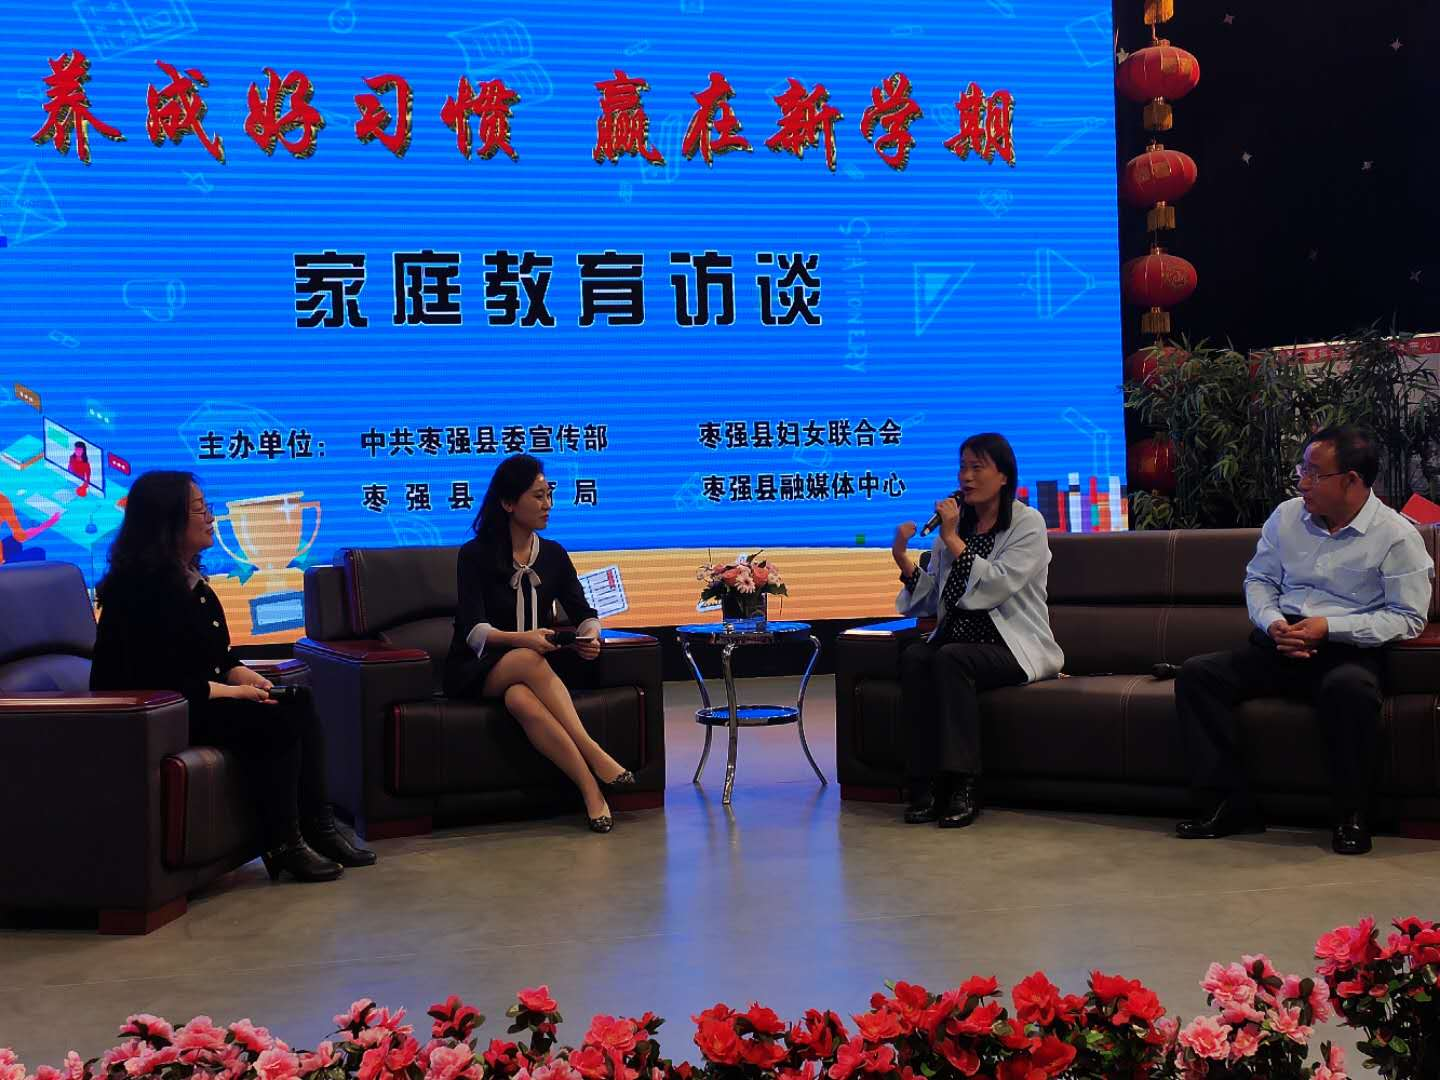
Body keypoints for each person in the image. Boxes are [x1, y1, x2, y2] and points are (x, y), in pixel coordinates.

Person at [90, 471, 375, 881]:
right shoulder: (139, 590)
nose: (210, 518)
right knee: (272, 719)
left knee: (297, 700)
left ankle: (319, 827)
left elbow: (216, 654)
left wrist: (240, 673)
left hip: (192, 700)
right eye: (199, 510)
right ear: (168, 520)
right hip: (155, 714)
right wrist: (234, 694)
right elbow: (160, 676)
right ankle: (282, 844)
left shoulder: (188, 580)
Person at [1175, 426, 1433, 855]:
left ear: (1351, 480)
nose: (1302, 483)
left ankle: (1352, 815)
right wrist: (1272, 622)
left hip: (1347, 650)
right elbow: (1259, 580)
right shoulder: (1287, 517)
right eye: (1303, 470)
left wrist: (1328, 628)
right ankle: (1229, 805)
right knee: (1198, 675)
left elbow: (1407, 618)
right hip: (1281, 641)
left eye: (1314, 473)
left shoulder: (1397, 536)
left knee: (1350, 691)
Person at [444, 454, 632, 833]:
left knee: (520, 699)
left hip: (532, 673)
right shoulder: (475, 555)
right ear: (508, 503)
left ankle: (591, 792)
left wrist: (590, 636)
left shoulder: (554, 555)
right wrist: (522, 639)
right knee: (527, 659)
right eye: (537, 496)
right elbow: (474, 631)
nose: (547, 504)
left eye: (549, 495)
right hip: (477, 668)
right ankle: (594, 752)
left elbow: (584, 613)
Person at [891, 432, 1064, 828]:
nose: (965, 477)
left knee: (952, 659)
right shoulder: (956, 527)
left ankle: (963, 785)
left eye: (976, 467)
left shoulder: (1027, 523)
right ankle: (924, 785)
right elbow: (932, 598)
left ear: (1003, 476)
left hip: (1011, 643)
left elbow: (997, 585)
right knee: (916, 656)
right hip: (956, 636)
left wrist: (953, 539)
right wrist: (901, 557)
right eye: (962, 468)